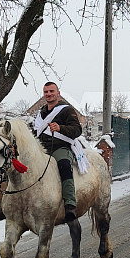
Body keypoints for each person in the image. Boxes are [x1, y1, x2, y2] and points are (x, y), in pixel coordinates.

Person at [34, 82, 84, 222]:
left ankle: (70, 203)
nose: (48, 94)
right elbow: (36, 133)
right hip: (42, 149)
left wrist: (60, 128)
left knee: (63, 165)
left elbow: (77, 130)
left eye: (51, 91)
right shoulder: (41, 113)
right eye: (46, 92)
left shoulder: (66, 110)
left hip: (60, 148)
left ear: (58, 93)